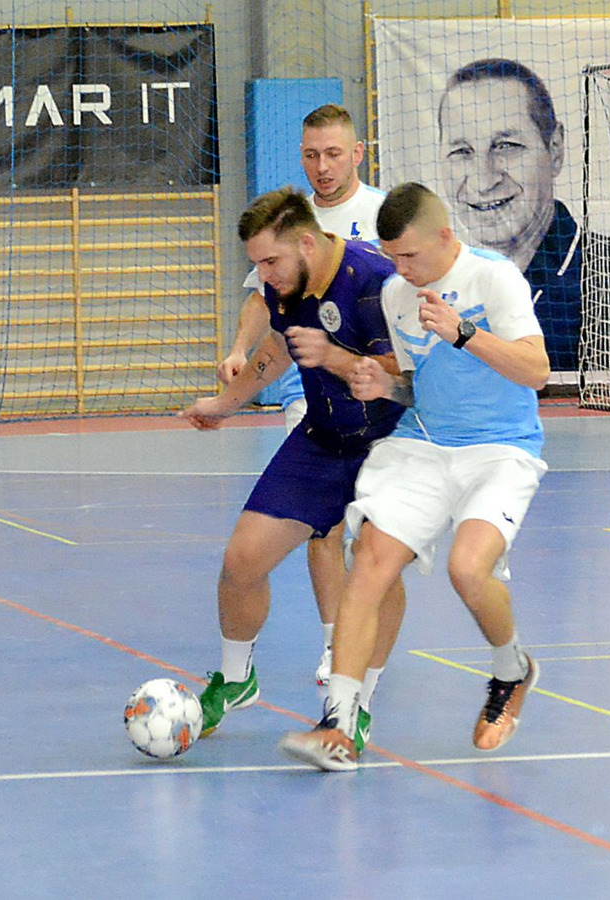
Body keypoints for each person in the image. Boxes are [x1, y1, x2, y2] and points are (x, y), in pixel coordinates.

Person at [279, 182, 550, 772]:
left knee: (467, 570)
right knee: (369, 558)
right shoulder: (397, 293)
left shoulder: (493, 278)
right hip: (423, 444)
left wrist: (464, 332)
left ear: (445, 236)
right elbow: (414, 384)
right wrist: (386, 385)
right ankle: (339, 723)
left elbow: (537, 371)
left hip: (500, 449)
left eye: (409, 256)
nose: (399, 270)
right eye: (392, 257)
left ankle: (511, 670)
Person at [182, 187, 406, 754]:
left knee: (376, 569)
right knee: (242, 560)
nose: (263, 275)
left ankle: (355, 708)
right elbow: (278, 348)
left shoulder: (375, 283)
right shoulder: (284, 284)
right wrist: (226, 404)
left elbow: (409, 377)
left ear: (307, 243)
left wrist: (335, 356)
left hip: (391, 444)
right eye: (257, 264)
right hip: (321, 438)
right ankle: (237, 678)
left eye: (270, 262)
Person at [218, 104, 388, 685]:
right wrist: (239, 352)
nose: (323, 166)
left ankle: (358, 657)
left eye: (333, 153)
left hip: (381, 408)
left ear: (357, 152)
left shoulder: (383, 220)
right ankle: (333, 644)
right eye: (312, 155)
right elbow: (263, 301)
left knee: (371, 541)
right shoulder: (288, 222)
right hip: (311, 399)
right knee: (323, 529)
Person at [437, 58, 581, 373]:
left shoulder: (601, 280)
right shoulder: (438, 281)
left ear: (555, 149)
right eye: (462, 152)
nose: (483, 181)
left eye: (506, 146)